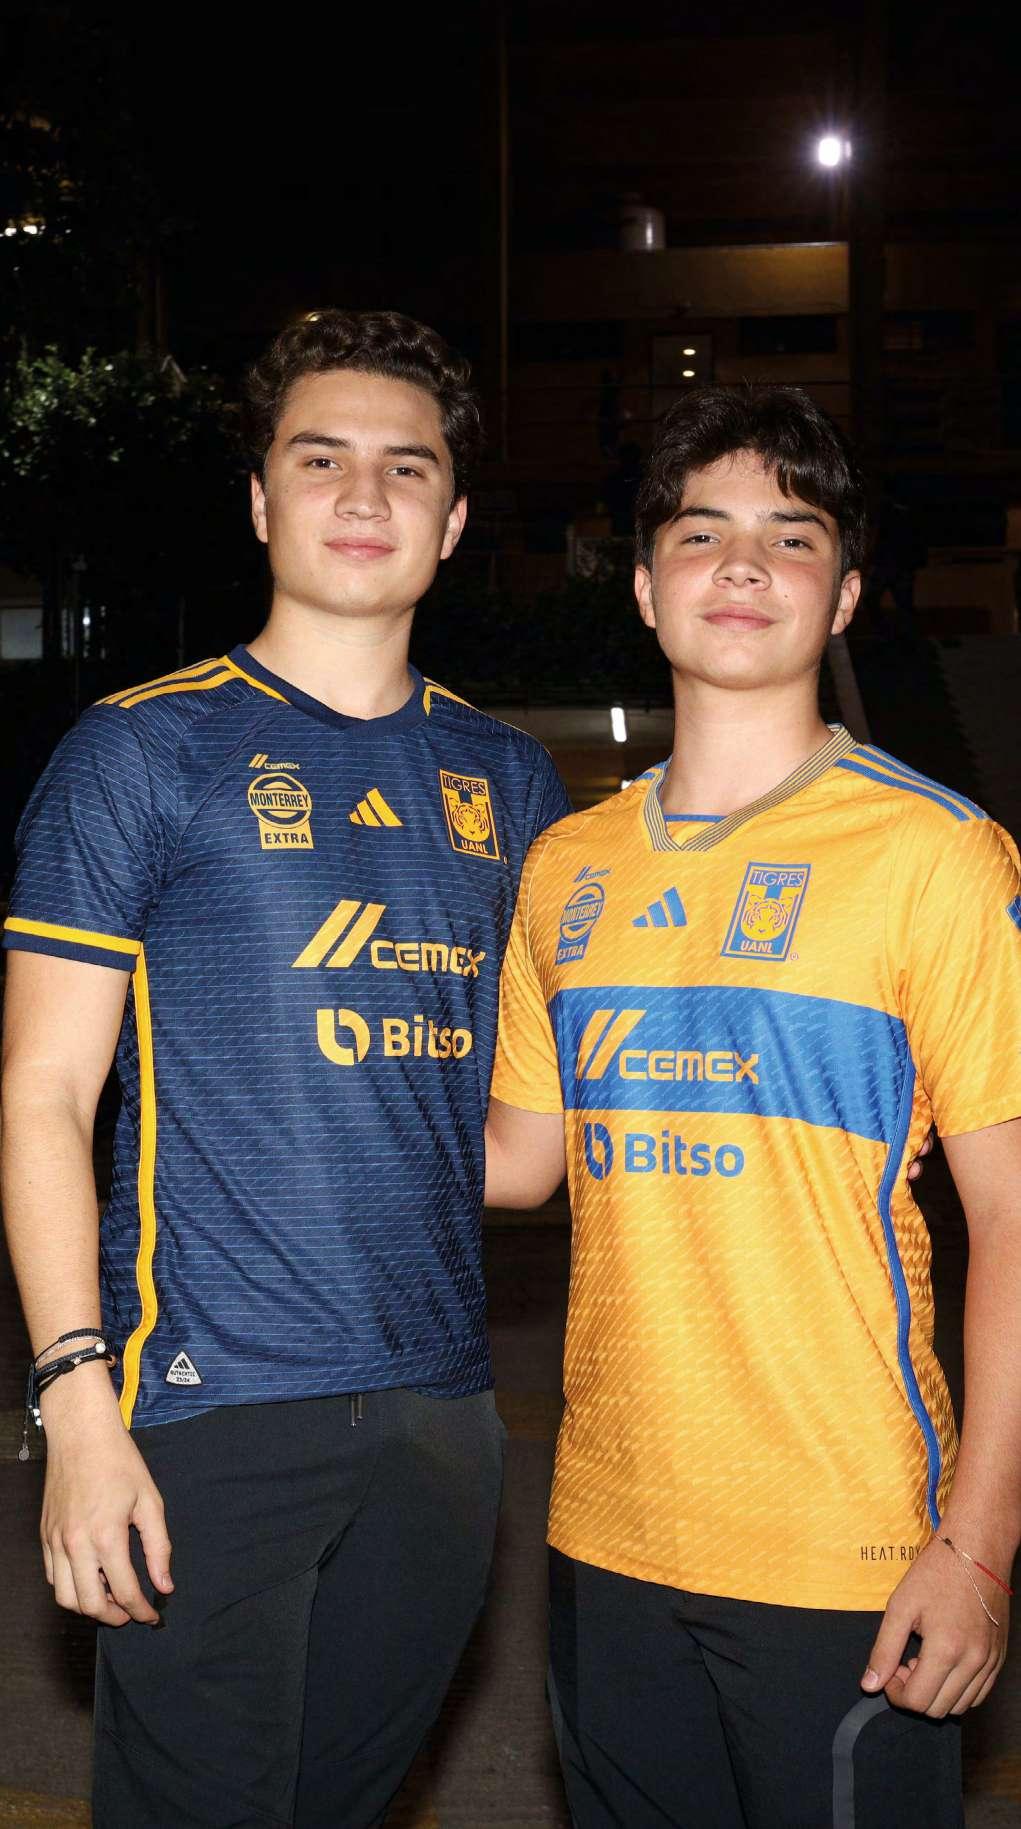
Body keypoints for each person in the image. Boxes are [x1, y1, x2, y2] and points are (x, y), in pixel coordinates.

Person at [0, 308, 570, 1828]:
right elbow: (44, 1095)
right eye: (321, 461)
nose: (364, 495)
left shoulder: (511, 782)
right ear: (261, 501)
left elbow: (523, 1147)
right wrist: (75, 1407)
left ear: (454, 520)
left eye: (407, 467)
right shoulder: (140, 751)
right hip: (208, 1404)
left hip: (442, 1414)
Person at [484, 385, 1021, 1828]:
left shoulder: (937, 855)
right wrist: (280, 1075)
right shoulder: (565, 866)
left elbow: (1015, 1223)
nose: (740, 564)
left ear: (842, 596)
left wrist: (978, 1544)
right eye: (700, 531)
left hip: (843, 1546)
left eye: (791, 537)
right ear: (643, 584)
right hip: (602, 1534)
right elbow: (515, 1160)